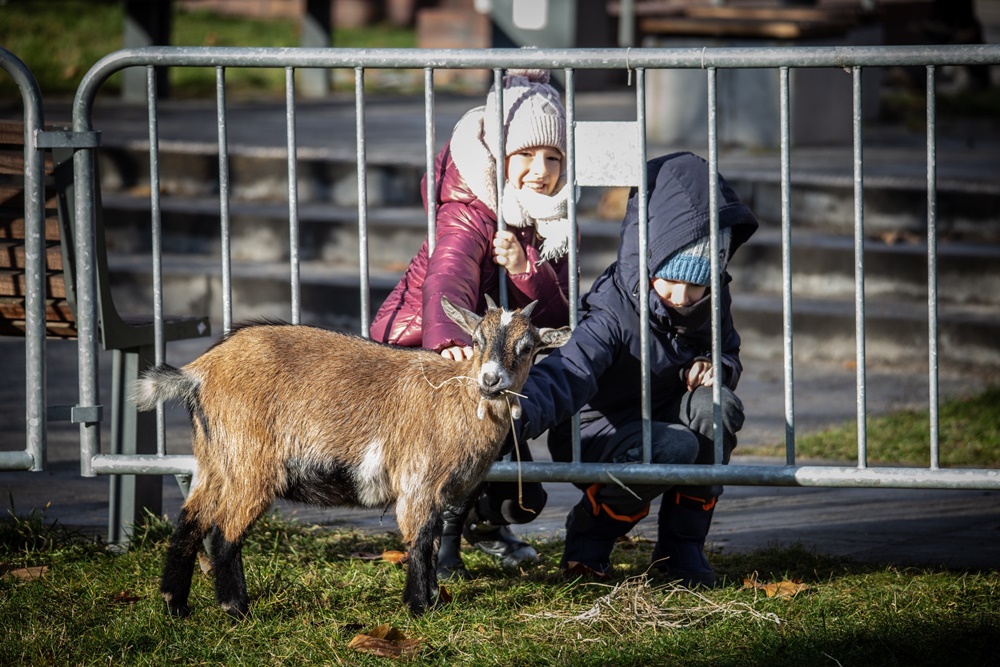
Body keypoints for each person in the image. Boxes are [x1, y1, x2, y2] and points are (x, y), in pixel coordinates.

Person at [513, 151, 759, 586]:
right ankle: (589, 538)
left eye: (698, 282)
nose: (683, 296)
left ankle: (680, 550)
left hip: (665, 419)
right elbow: (571, 368)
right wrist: (520, 412)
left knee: (716, 408)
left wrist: (715, 366)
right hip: (598, 432)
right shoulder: (613, 310)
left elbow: (729, 353)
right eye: (671, 279)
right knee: (673, 448)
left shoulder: (710, 302)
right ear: (649, 260)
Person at [369, 69, 572, 579]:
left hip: (495, 358)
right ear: (499, 155)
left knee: (516, 484)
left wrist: (526, 270)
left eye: (553, 158)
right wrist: (450, 341)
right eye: (525, 154)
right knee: (450, 451)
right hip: (426, 343)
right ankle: (442, 547)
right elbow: (448, 278)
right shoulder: (468, 207)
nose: (540, 170)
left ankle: (486, 527)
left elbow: (553, 316)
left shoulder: (549, 217)